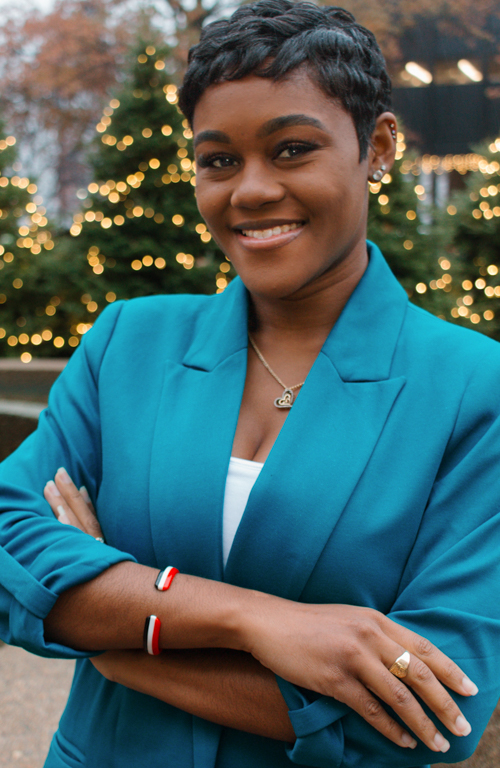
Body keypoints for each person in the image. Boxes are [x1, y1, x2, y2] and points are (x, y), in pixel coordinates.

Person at [1, 1, 500, 766]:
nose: (251, 191)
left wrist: (109, 631)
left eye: (292, 149)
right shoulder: (129, 340)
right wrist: (257, 621)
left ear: (378, 146)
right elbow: (8, 551)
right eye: (219, 160)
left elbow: (432, 717)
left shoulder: (474, 389)